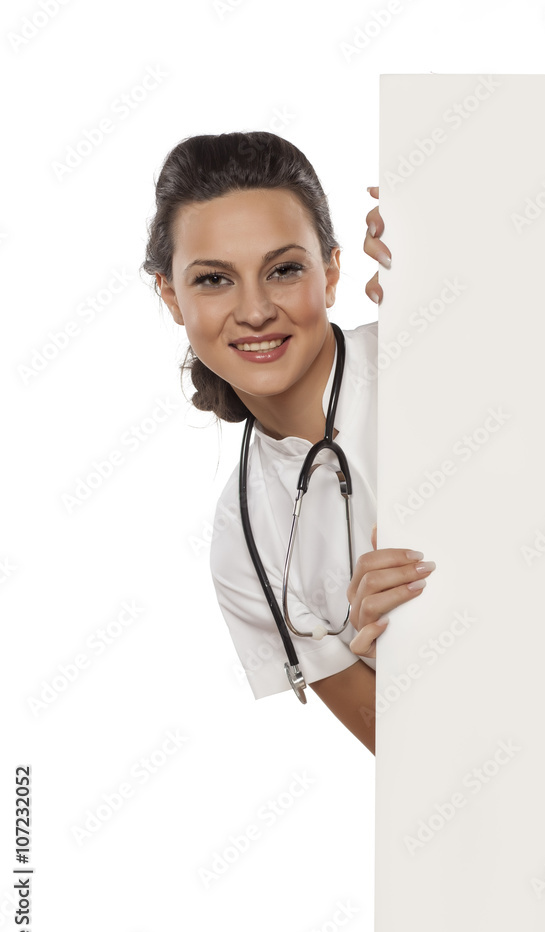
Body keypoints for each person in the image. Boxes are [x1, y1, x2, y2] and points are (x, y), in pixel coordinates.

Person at [141, 132, 436, 755]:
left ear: (331, 271)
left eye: (283, 270)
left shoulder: (435, 347)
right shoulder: (244, 543)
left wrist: (481, 269)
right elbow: (410, 754)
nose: (253, 311)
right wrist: (396, 645)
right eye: (215, 279)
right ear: (172, 296)